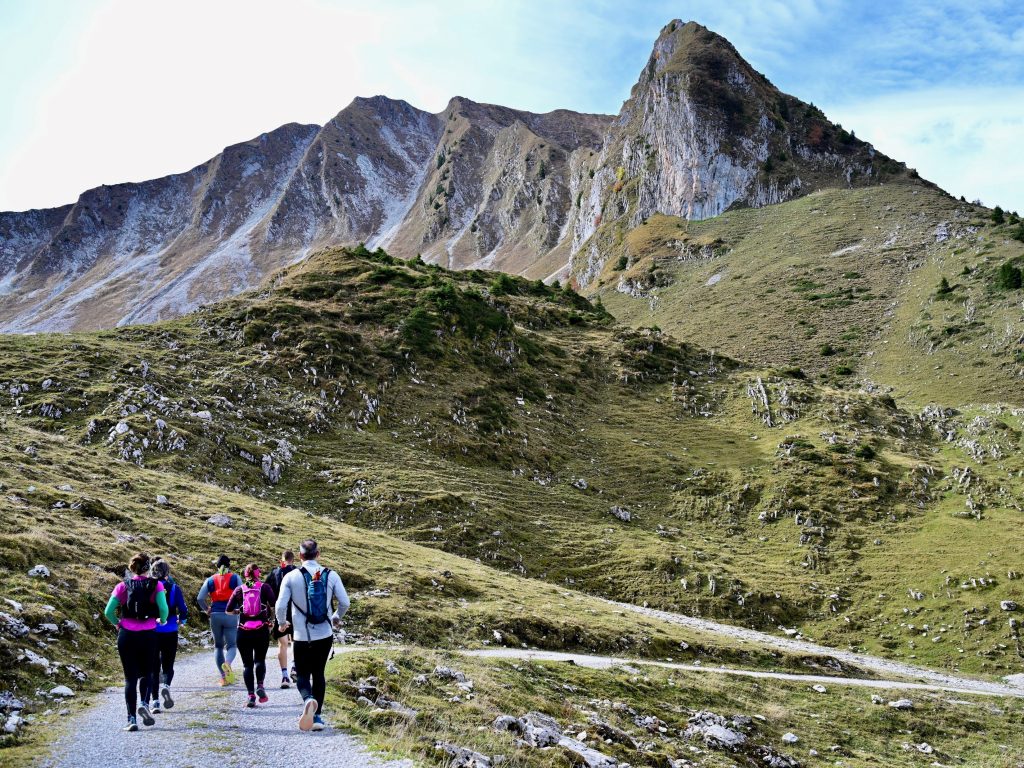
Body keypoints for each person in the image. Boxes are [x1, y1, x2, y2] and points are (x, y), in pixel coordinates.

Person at [275, 539, 349, 731]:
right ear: (318, 554)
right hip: (324, 634)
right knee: (318, 674)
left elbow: (280, 605)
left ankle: (308, 699)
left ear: (300, 556)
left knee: (302, 674)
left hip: (301, 635)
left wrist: (282, 623)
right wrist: (335, 617)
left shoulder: (291, 576)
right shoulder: (331, 575)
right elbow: (345, 602)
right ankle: (317, 718)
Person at [103, 552, 169, 732]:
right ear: (148, 567)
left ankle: (131, 719)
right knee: (147, 673)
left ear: (132, 568)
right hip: (148, 635)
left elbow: (108, 611)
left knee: (130, 678)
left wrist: (117, 623)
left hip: (127, 635)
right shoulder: (157, 585)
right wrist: (162, 621)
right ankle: (144, 704)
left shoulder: (122, 586)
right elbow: (164, 609)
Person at [226, 563, 276, 708]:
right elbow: (274, 605)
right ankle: (260, 685)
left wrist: (238, 611)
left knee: (247, 665)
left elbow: (228, 610)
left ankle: (251, 696)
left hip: (243, 631)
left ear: (245, 575)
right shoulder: (265, 587)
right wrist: (271, 620)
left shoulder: (239, 589)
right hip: (261, 630)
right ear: (258, 573)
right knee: (260, 660)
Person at [148, 558, 188, 713]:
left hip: (152, 630)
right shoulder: (174, 588)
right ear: (167, 573)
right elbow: (183, 609)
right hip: (170, 629)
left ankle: (155, 702)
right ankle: (166, 685)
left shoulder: (148, 587)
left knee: (153, 667)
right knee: (168, 664)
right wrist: (182, 620)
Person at [197, 554, 241, 685]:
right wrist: (239, 609)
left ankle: (223, 678)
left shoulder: (210, 580)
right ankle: (227, 663)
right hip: (231, 614)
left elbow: (200, 598)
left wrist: (207, 609)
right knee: (232, 645)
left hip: (215, 614)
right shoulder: (235, 578)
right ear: (229, 565)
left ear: (217, 566)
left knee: (218, 647)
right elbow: (242, 594)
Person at [266, 550, 297, 688]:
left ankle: (284, 676)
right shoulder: (298, 572)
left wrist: (270, 613)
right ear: (293, 560)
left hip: (280, 611)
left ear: (282, 560)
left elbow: (267, 593)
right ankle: (294, 667)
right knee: (295, 641)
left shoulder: (274, 573)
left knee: (282, 644)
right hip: (296, 612)